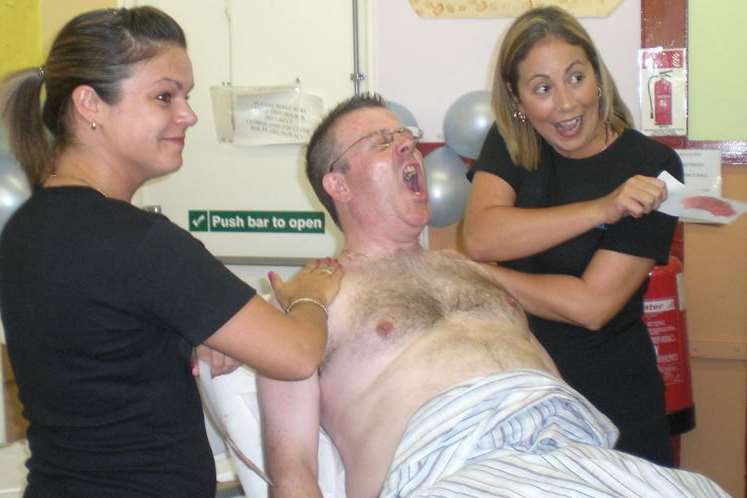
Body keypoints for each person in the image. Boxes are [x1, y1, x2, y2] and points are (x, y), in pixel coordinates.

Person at [257, 94, 727, 498]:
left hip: (573, 454)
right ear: (337, 184)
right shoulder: (308, 302)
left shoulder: (477, 274)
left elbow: (576, 325)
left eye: (406, 134)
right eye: (382, 142)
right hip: (448, 471)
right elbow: (293, 466)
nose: (408, 144)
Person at [0, 7, 341, 498]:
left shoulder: (27, 228)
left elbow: (102, 349)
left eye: (187, 96)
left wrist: (185, 331)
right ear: (90, 104)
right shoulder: (137, 240)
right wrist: (310, 295)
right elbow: (297, 354)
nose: (189, 114)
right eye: (164, 96)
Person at [462, 6, 682, 466]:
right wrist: (603, 209)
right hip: (521, 392)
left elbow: (591, 307)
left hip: (614, 397)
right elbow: (482, 236)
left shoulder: (656, 167)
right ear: (517, 99)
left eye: (575, 77)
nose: (565, 103)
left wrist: (480, 276)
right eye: (542, 88)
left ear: (597, 77)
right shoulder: (509, 142)